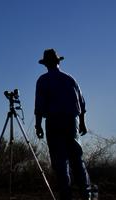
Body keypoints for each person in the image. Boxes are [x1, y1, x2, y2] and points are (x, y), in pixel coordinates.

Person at [34, 49, 93, 200]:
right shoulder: (69, 79)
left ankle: (66, 195)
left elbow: (39, 105)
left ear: (46, 64)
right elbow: (81, 103)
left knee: (60, 160)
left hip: (54, 121)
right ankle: (86, 193)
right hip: (72, 121)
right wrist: (82, 124)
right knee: (76, 158)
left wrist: (38, 124)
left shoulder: (43, 80)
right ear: (58, 62)